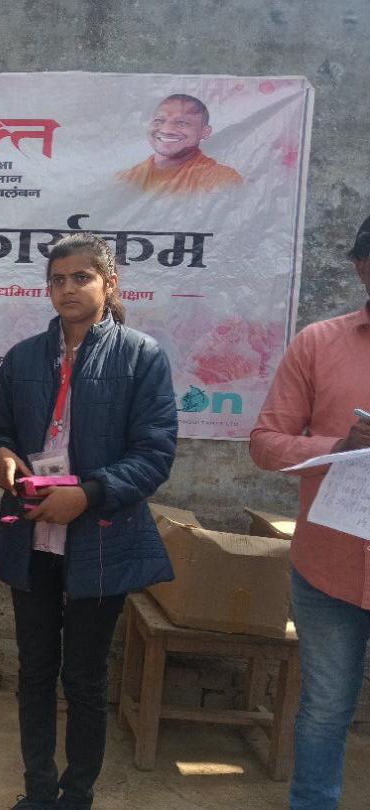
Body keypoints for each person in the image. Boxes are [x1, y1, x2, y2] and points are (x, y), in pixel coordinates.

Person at [0, 233, 178, 810]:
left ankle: (77, 796)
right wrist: (2, 457)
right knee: (35, 671)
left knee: (86, 678)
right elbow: (1, 434)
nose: (67, 288)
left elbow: (154, 455)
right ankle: (38, 791)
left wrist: (89, 494)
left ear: (109, 283)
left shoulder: (141, 356)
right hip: (33, 531)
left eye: (81, 278)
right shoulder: (23, 357)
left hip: (99, 537)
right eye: (58, 279)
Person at [249, 214, 370, 810]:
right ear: (362, 267)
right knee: (324, 709)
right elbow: (265, 443)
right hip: (329, 570)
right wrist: (338, 448)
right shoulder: (319, 343)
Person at [117, 93, 243, 195]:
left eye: (182, 123)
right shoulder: (126, 178)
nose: (166, 130)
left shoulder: (221, 180)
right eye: (159, 120)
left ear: (205, 132)